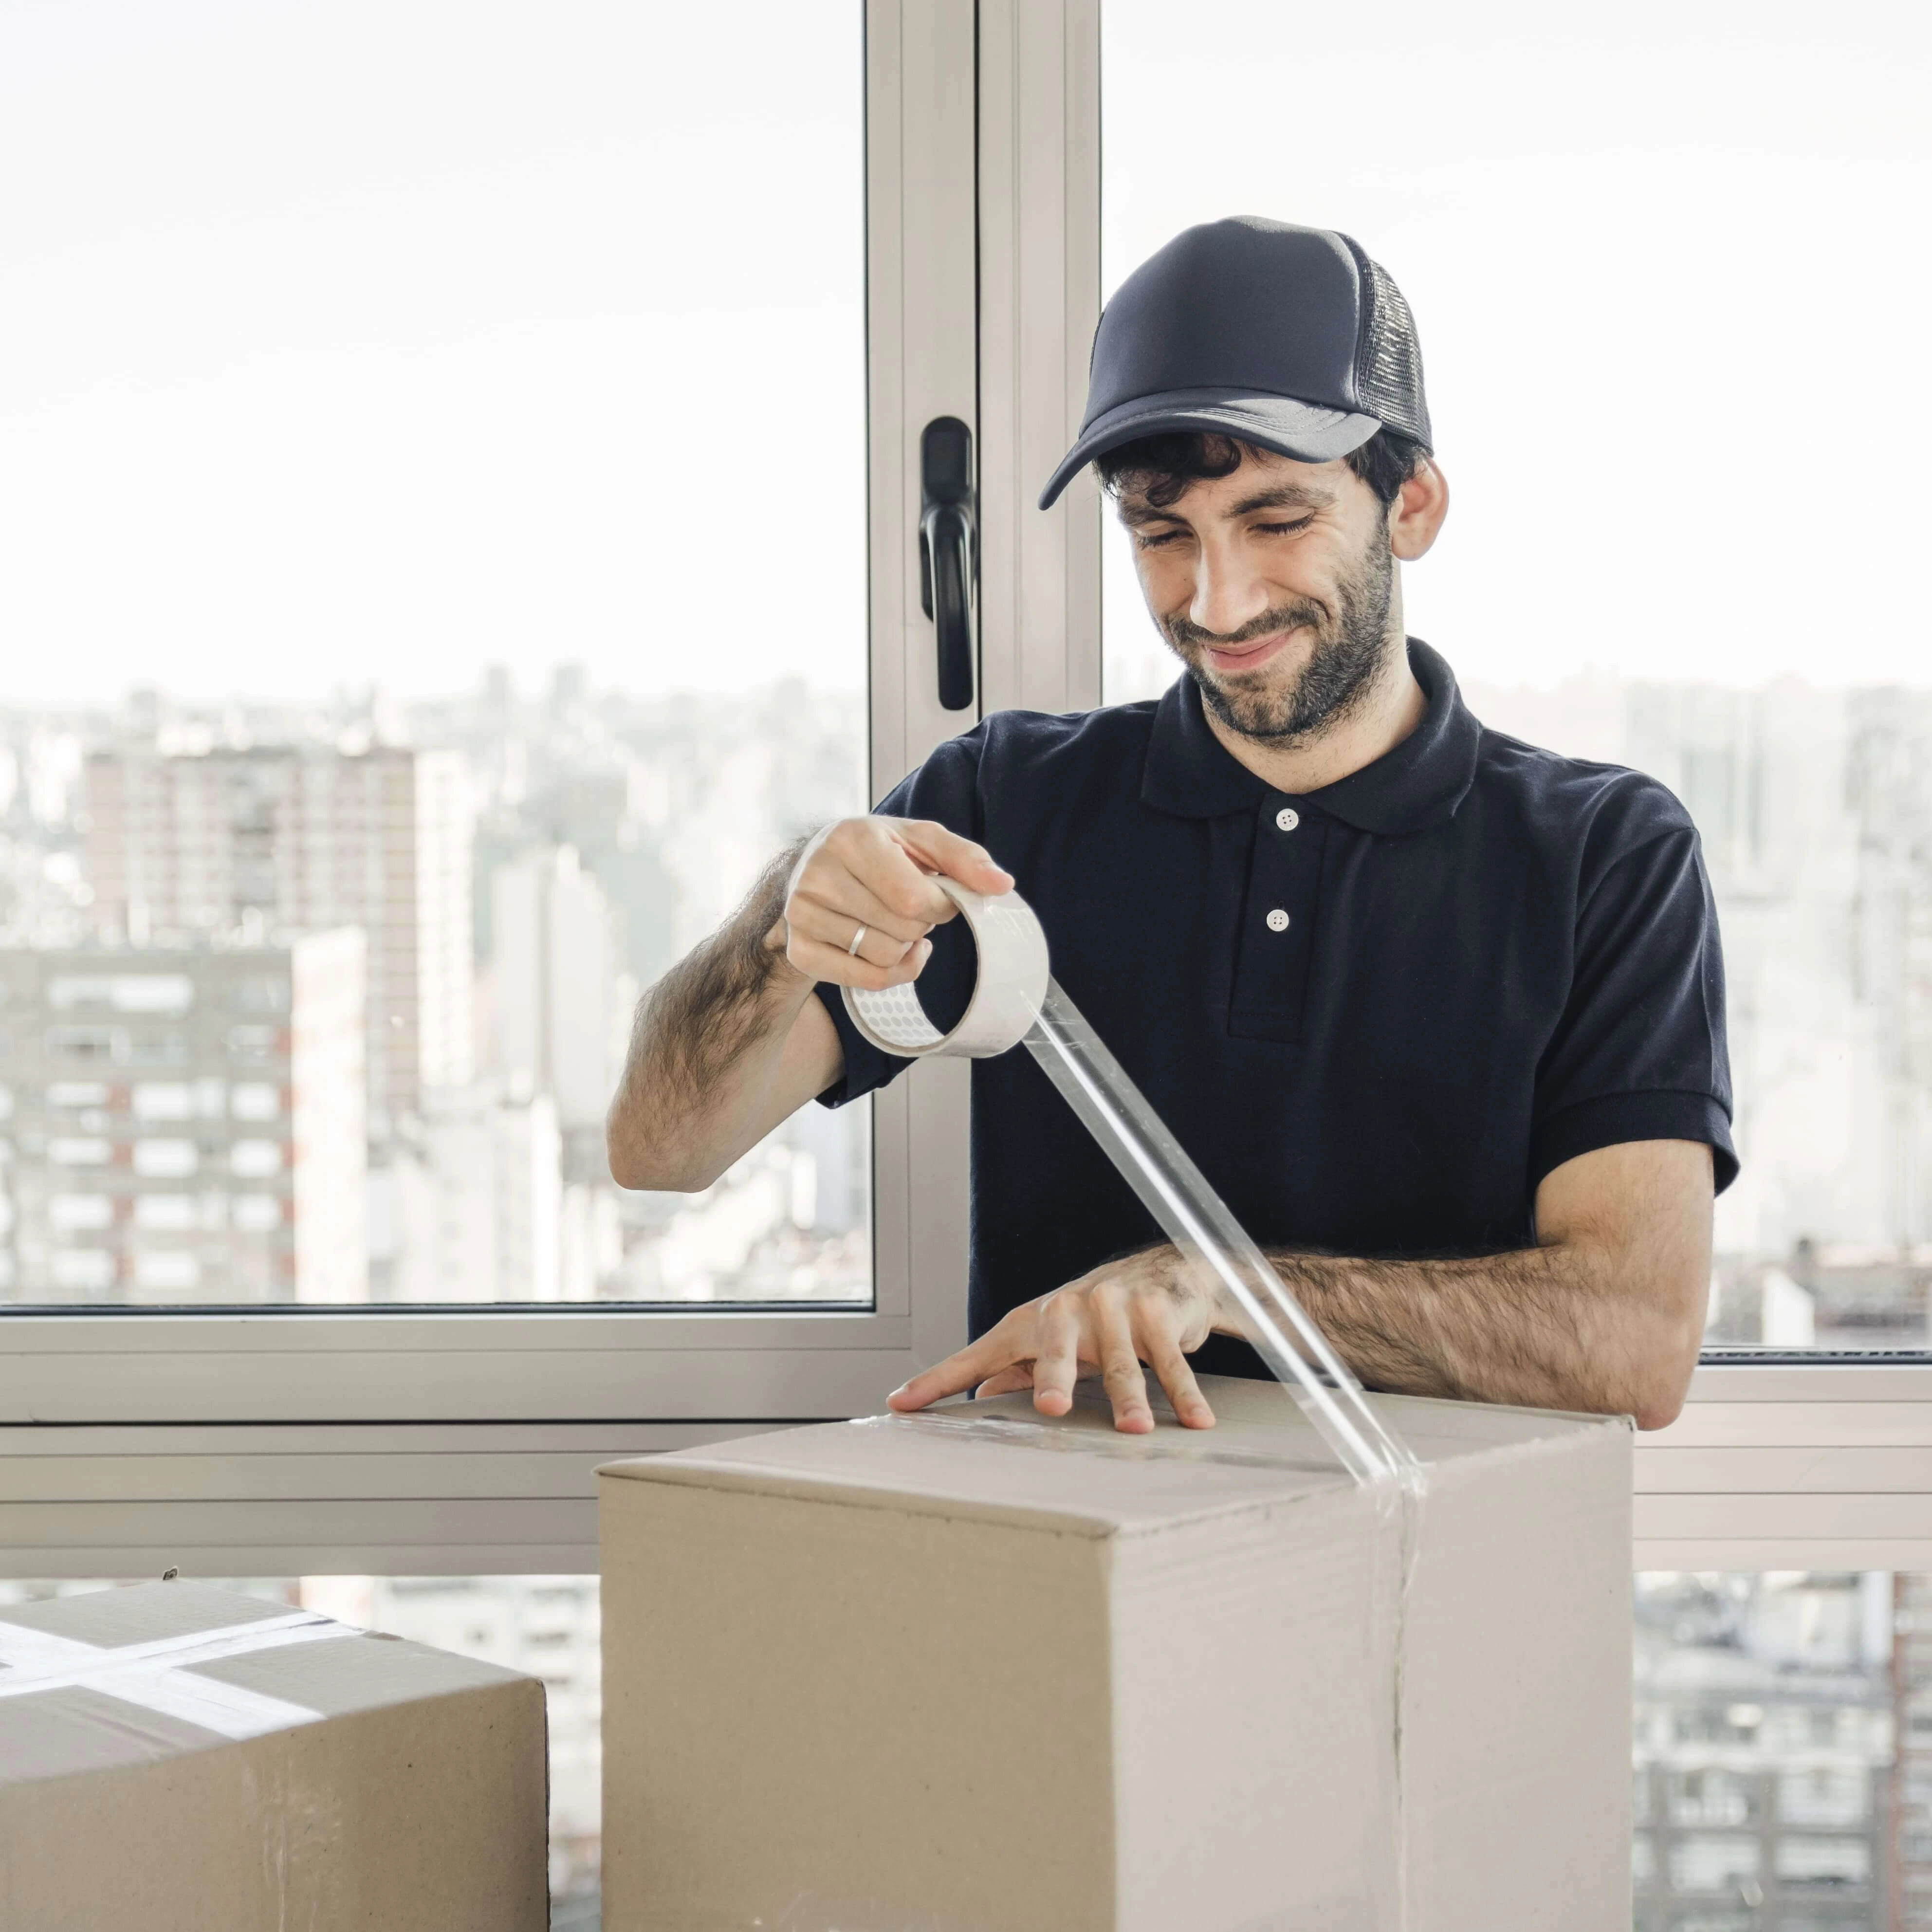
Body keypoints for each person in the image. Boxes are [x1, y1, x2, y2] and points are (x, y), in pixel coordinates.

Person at [607, 216, 1734, 1436]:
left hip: (1429, 1590)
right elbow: (660, 1149)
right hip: (1063, 1580)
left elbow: (1632, 1344)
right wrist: (780, 928)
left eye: (1275, 519)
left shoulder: (1603, 856)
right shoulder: (1004, 802)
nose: (1216, 599)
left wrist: (1225, 1289)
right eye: (1160, 531)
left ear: (1410, 504)